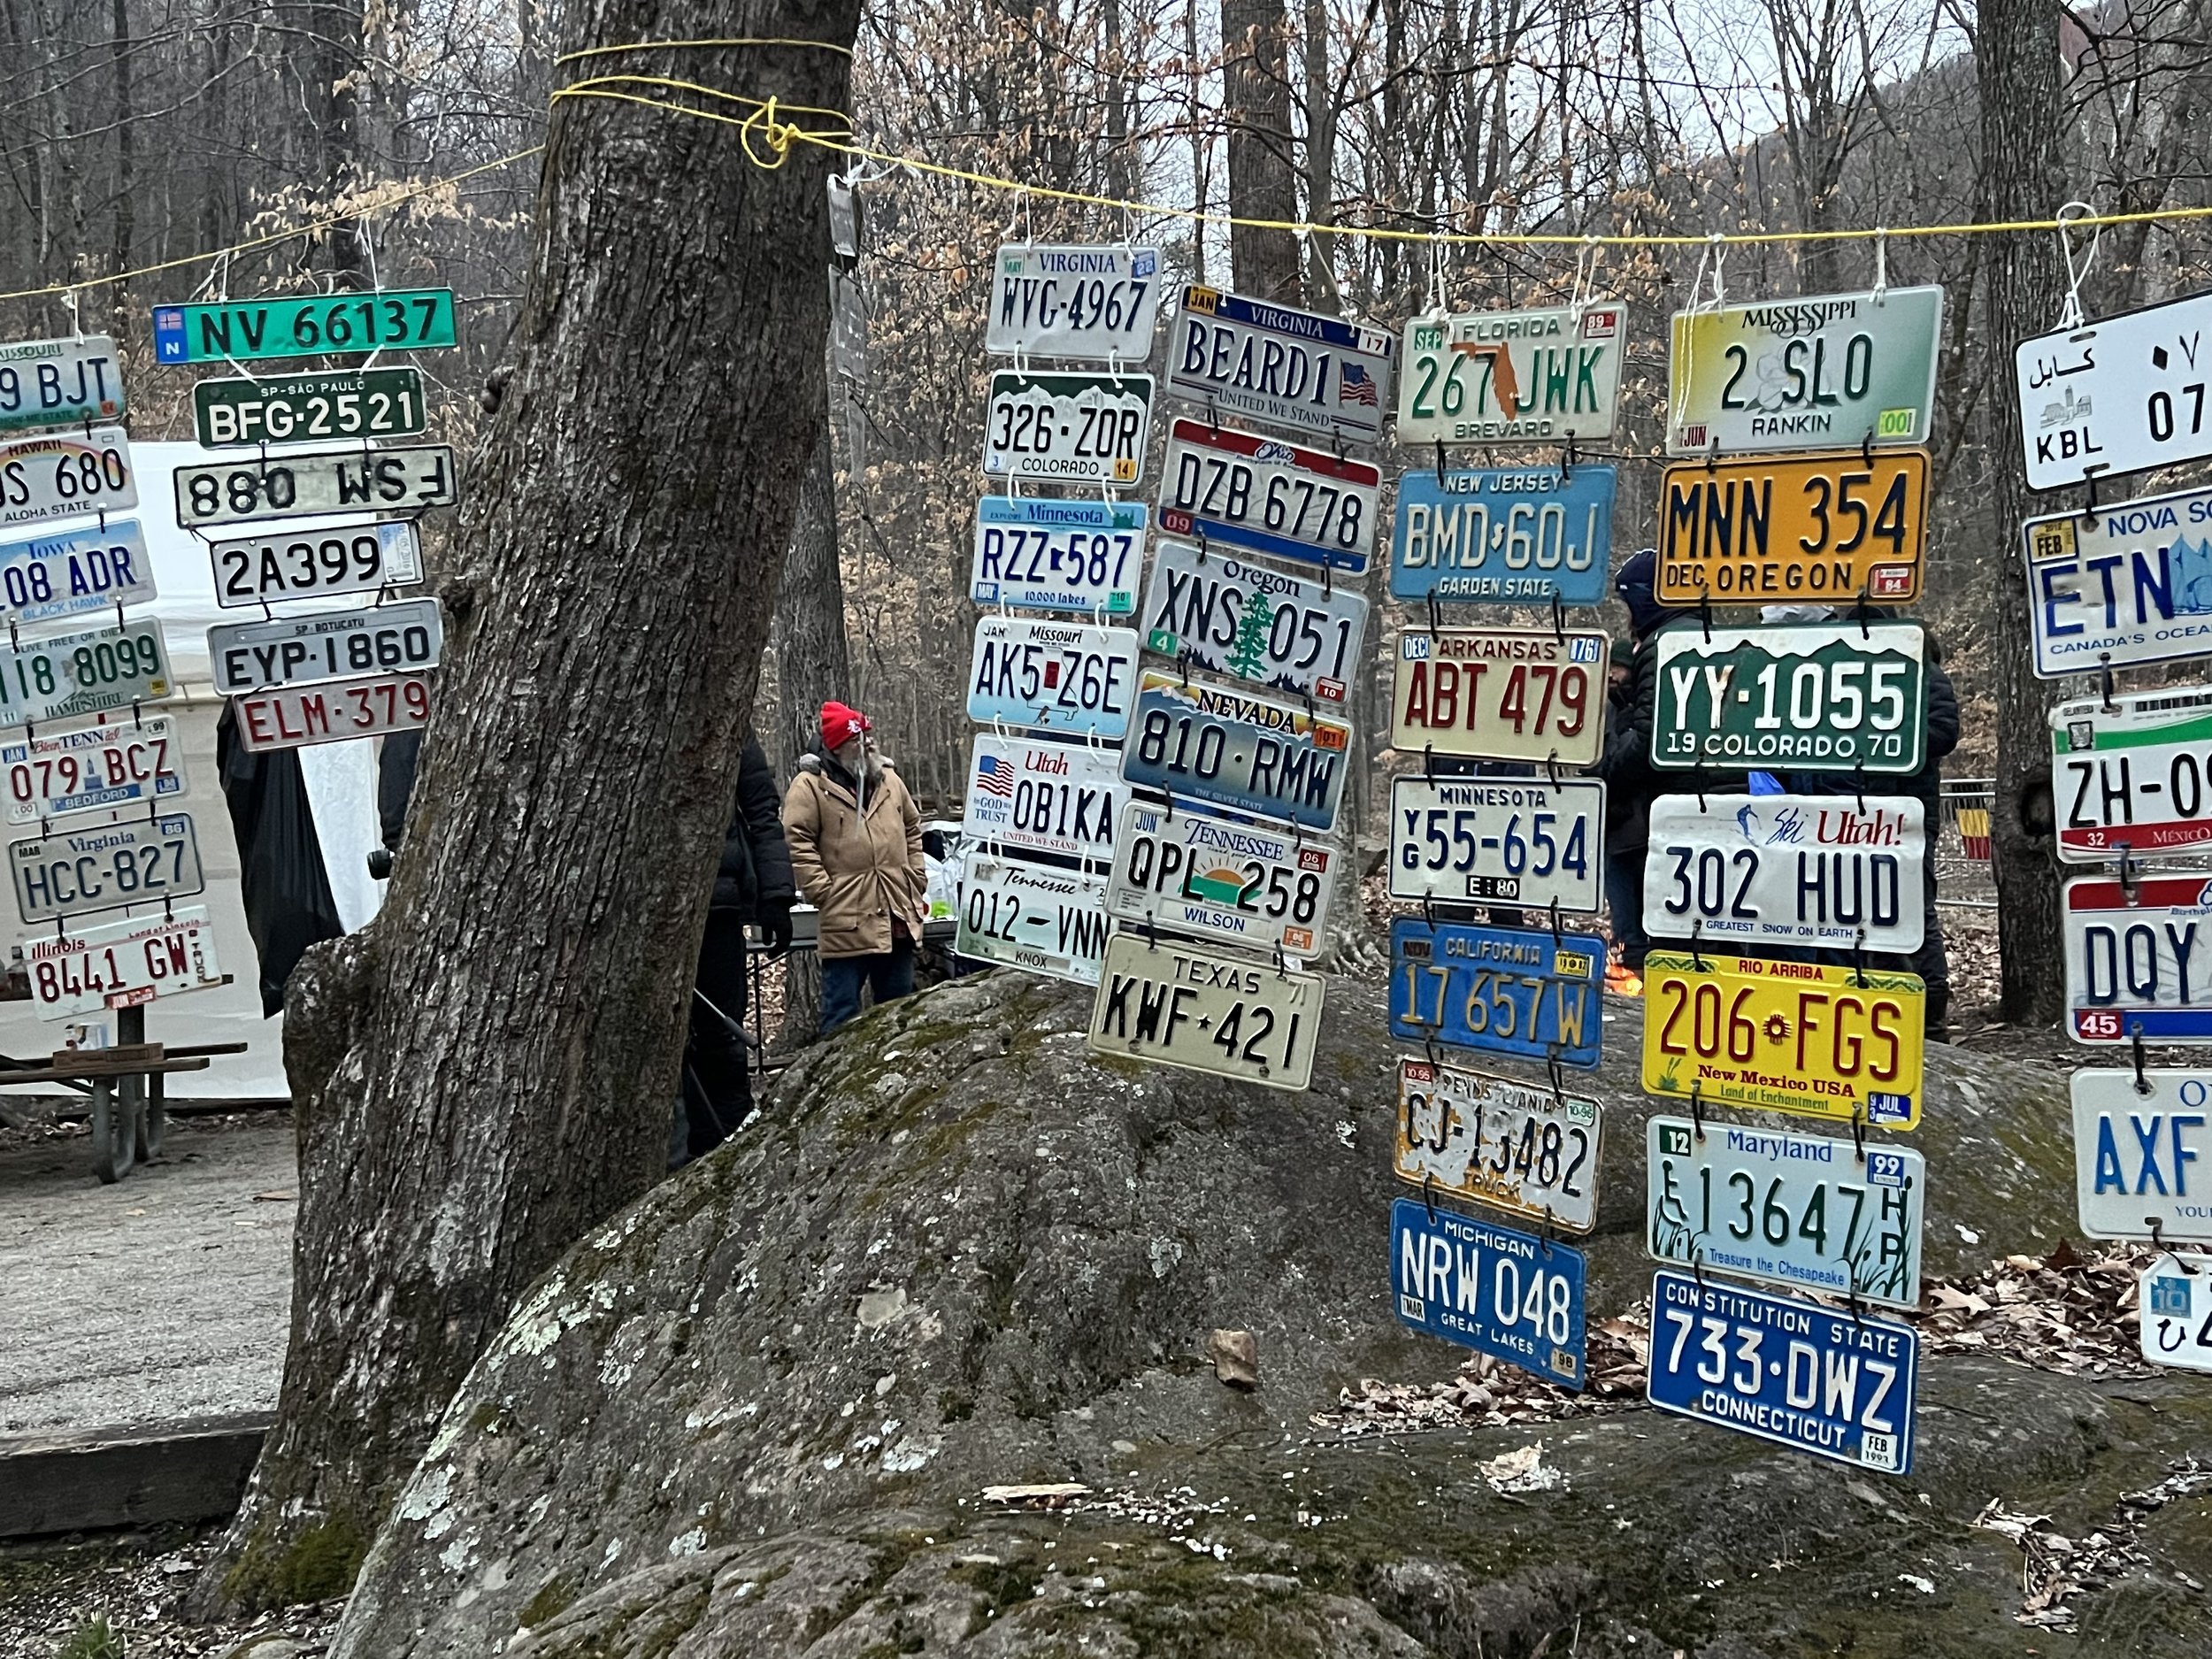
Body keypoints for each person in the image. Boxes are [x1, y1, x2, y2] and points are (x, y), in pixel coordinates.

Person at [677, 734, 796, 1165]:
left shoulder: (733, 733)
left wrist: (777, 896)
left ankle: (730, 1149)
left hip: (719, 909)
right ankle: (677, 1154)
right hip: (649, 909)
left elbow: (764, 815)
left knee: (720, 1035)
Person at [784, 700, 926, 1033]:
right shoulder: (810, 787)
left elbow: (912, 827)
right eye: (858, 740)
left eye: (868, 736)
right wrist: (822, 890)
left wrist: (915, 875)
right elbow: (798, 840)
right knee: (841, 1014)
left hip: (896, 911)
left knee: (898, 1010)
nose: (869, 745)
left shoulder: (890, 779)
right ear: (839, 747)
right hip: (846, 915)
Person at [1593, 548, 1696, 995]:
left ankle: (1647, 986)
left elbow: (1649, 739)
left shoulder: (1664, 646)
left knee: (1647, 918)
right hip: (1664, 811)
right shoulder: (1690, 638)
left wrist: (1608, 770)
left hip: (1650, 813)